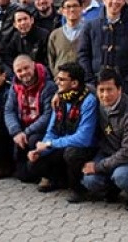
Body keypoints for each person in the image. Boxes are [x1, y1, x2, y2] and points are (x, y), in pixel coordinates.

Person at [27, 62, 97, 203]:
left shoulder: (89, 101)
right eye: (57, 78)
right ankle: (59, 180)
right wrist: (40, 150)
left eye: (62, 79)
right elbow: (52, 130)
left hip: (84, 147)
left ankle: (78, 189)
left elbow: (84, 138)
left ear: (74, 83)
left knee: (71, 153)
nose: (57, 82)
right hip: (63, 143)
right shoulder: (60, 98)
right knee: (34, 163)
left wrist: (51, 144)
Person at [81, 67, 128, 210]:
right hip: (107, 152)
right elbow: (81, 86)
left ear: (119, 89)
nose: (105, 95)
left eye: (110, 90)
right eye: (101, 90)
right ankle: (112, 189)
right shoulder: (97, 99)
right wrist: (58, 94)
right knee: (89, 180)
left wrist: (98, 166)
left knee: (122, 176)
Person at [78, 0, 128, 104]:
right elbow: (83, 55)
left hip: (126, 88)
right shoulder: (90, 26)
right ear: (104, 0)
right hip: (95, 87)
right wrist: (90, 80)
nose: (115, 2)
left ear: (124, 1)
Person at [3, 54, 56, 182]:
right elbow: (9, 110)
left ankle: (47, 176)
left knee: (33, 139)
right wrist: (16, 131)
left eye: (26, 68)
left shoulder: (48, 86)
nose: (23, 73)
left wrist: (26, 132)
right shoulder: (15, 86)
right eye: (19, 71)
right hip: (22, 128)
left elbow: (48, 115)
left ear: (33, 65)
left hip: (41, 130)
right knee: (23, 176)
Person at [47, 0, 84, 77]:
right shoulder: (55, 35)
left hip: (83, 79)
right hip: (60, 80)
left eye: (75, 6)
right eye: (68, 7)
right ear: (62, 11)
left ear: (81, 8)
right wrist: (56, 76)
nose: (72, 9)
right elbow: (51, 59)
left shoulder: (88, 32)